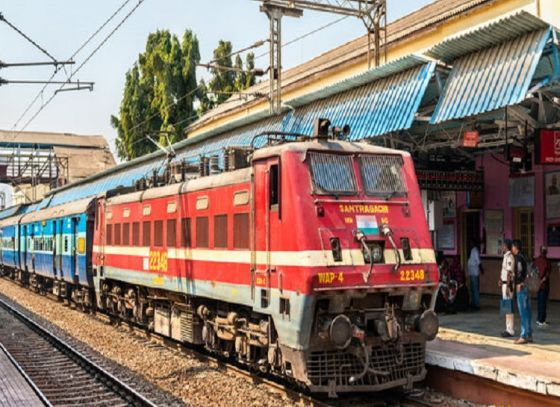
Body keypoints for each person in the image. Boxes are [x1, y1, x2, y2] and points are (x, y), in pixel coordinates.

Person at [512, 240, 533, 344]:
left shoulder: (519, 258)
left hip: (522, 287)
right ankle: (529, 334)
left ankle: (523, 335)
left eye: (512, 247)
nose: (512, 249)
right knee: (528, 312)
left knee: (523, 312)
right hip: (528, 287)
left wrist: (519, 284)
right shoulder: (525, 256)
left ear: (516, 247)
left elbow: (520, 272)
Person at [500, 239, 515, 338]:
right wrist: (500, 279)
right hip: (504, 283)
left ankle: (510, 330)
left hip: (508, 285)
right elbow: (504, 271)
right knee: (506, 307)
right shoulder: (505, 256)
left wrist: (508, 286)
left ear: (506, 246)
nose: (502, 247)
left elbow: (509, 272)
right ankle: (507, 328)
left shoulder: (509, 257)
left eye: (503, 245)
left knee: (508, 307)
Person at [534, 246, 552, 327]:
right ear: (546, 252)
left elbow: (534, 271)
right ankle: (542, 321)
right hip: (544, 285)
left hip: (538, 285)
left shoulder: (536, 260)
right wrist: (542, 280)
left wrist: (538, 281)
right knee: (543, 303)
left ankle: (539, 320)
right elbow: (547, 274)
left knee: (539, 302)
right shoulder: (547, 261)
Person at [467, 242, 481, 310]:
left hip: (475, 273)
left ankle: (477, 304)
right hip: (472, 272)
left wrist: (481, 269)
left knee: (475, 289)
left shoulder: (475, 251)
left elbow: (478, 261)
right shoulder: (472, 250)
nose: (469, 245)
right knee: (472, 289)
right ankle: (473, 302)